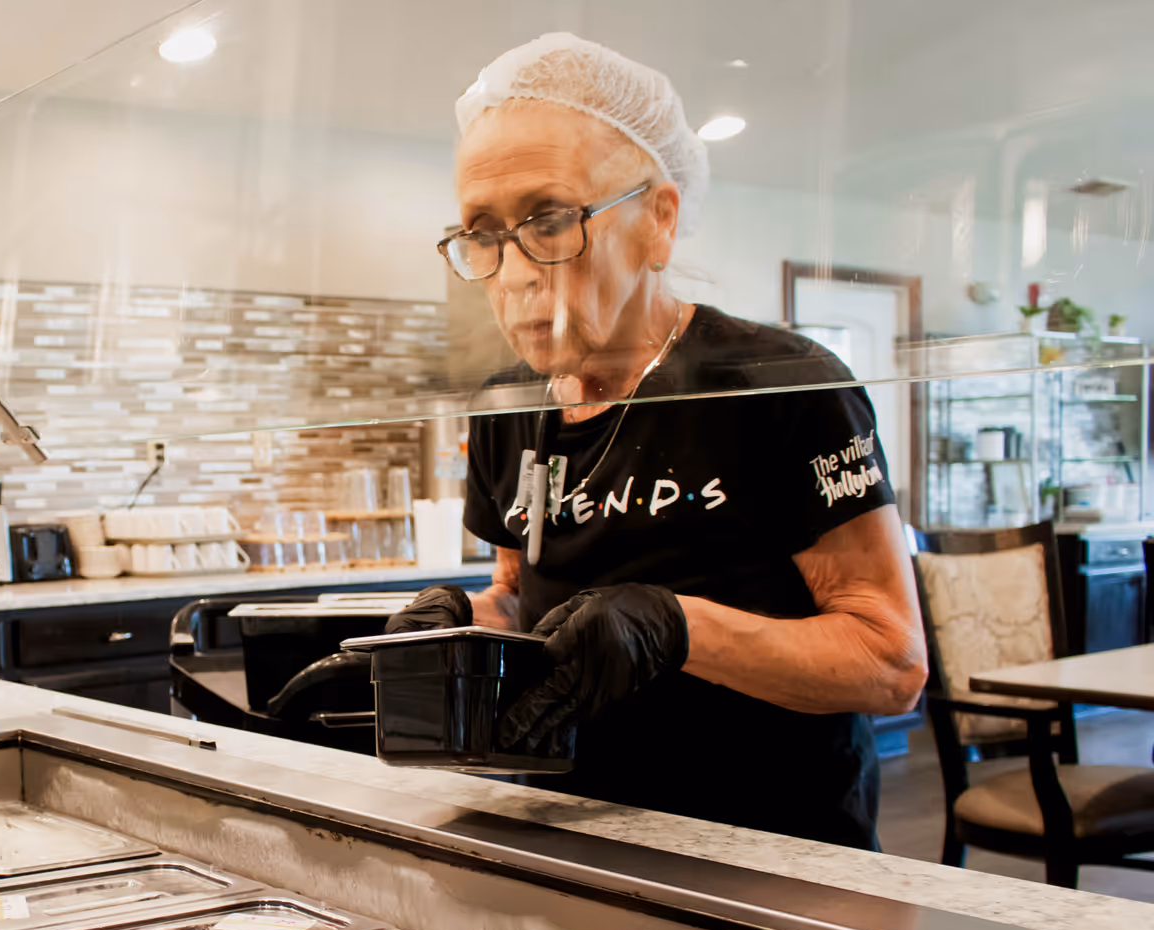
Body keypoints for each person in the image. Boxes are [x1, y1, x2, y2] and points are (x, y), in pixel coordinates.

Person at [389, 33, 926, 850]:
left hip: (772, 845)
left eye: (549, 220)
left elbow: (890, 662)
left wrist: (676, 629)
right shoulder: (505, 405)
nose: (517, 272)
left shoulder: (778, 385)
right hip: (568, 826)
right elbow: (520, 594)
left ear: (658, 222)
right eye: (484, 232)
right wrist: (461, 622)